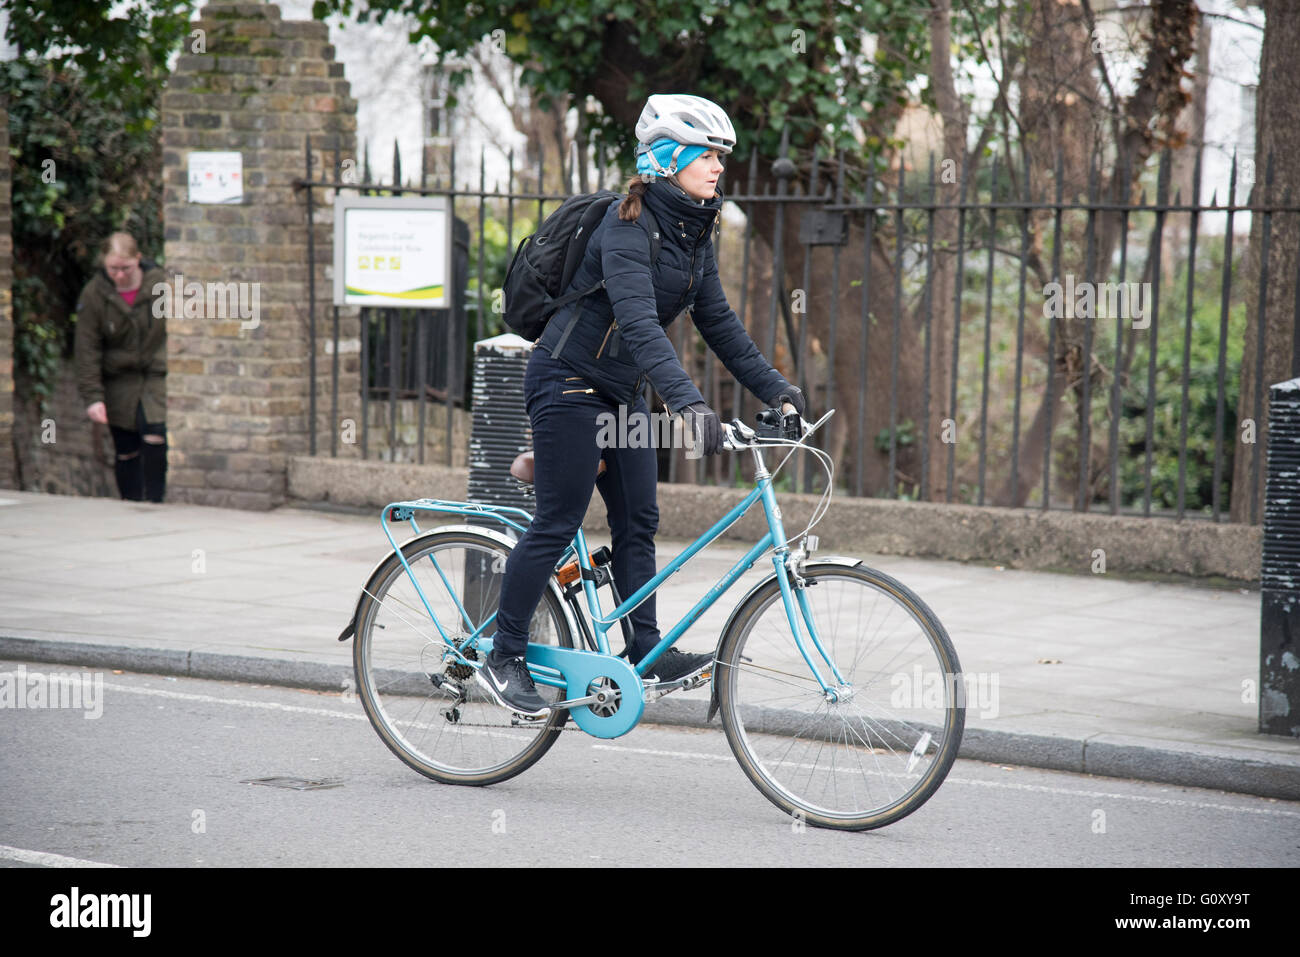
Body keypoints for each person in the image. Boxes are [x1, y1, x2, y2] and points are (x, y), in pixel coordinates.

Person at [477, 93, 807, 717]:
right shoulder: (625, 228)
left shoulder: (695, 231)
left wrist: (777, 388)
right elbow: (637, 323)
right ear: (670, 157)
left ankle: (643, 650)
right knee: (559, 518)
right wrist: (689, 405)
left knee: (639, 520)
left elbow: (719, 323)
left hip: (622, 394)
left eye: (721, 155)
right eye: (707, 153)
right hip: (567, 381)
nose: (717, 166)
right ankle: (504, 654)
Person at [74, 232, 169, 502]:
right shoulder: (94, 294)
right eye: (112, 268)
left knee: (156, 436)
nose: (119, 275)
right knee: (126, 447)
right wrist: (93, 397)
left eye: (125, 268)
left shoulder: (161, 285)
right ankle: (131, 504)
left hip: (156, 375)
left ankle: (155, 501)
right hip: (118, 379)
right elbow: (86, 348)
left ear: (138, 260)